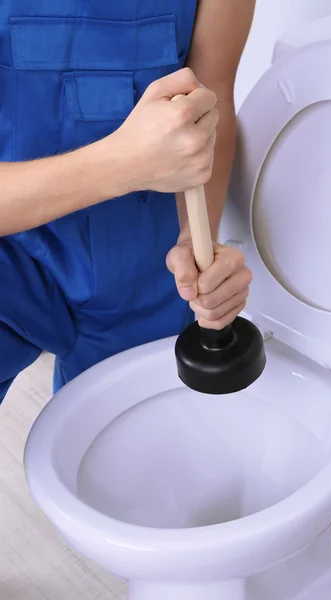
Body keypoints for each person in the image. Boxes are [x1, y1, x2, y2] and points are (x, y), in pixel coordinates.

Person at [0, 0, 256, 399]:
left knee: (123, 439)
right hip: (12, 240)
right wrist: (121, 166)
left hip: (150, 259)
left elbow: (213, 92)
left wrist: (194, 237)